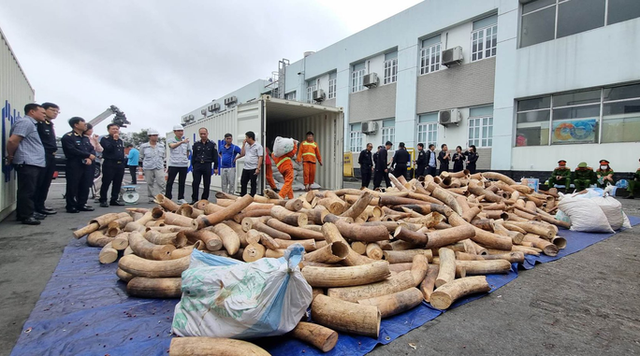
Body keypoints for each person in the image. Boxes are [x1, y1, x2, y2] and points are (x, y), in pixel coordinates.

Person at [6, 104, 47, 224]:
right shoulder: (25, 122)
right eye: (42, 112)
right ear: (32, 112)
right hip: (27, 161)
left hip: (33, 162)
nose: (44, 115)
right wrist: (10, 155)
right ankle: (26, 216)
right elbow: (12, 140)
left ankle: (28, 212)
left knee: (31, 189)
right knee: (27, 190)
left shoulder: (31, 123)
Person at [61, 117, 96, 213]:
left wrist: (89, 157)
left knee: (85, 184)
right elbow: (71, 150)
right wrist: (87, 155)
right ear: (76, 125)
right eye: (83, 123)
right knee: (73, 185)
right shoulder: (68, 137)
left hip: (86, 164)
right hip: (74, 164)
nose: (85, 124)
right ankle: (71, 205)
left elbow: (91, 148)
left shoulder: (85, 138)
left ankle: (82, 204)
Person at [33, 102, 59, 215]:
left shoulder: (49, 124)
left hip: (51, 156)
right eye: (53, 110)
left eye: (57, 111)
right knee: (38, 182)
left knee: (46, 182)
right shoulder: (39, 124)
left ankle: (40, 205)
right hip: (42, 156)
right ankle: (34, 207)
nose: (55, 113)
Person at [99, 123, 126, 207]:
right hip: (109, 163)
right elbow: (108, 148)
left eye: (117, 129)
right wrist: (114, 140)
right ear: (108, 130)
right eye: (113, 129)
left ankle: (114, 199)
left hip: (119, 164)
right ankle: (103, 200)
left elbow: (121, 152)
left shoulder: (120, 140)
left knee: (117, 182)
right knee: (106, 182)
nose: (115, 130)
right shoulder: (105, 139)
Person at [190, 127, 218, 204]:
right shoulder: (196, 144)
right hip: (198, 165)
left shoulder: (212, 144)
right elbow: (194, 155)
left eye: (204, 134)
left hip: (207, 165)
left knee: (207, 183)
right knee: (195, 183)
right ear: (199, 134)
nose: (203, 135)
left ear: (207, 134)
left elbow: (215, 156)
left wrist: (215, 167)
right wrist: (193, 165)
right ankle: (194, 199)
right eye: (201, 134)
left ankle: (204, 199)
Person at [166, 125, 191, 204]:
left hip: (183, 165)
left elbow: (187, 151)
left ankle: (180, 198)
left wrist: (185, 159)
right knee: (170, 182)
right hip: (173, 164)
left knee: (182, 182)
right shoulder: (171, 140)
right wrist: (182, 142)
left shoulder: (186, 142)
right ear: (175, 132)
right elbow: (172, 146)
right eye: (179, 131)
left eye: (182, 131)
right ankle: (168, 197)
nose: (181, 132)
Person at [139, 129, 166, 203]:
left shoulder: (161, 146)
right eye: (153, 135)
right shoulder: (144, 146)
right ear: (149, 136)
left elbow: (163, 156)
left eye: (156, 135)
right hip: (148, 167)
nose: (155, 137)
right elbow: (141, 156)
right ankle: (151, 197)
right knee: (150, 183)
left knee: (161, 182)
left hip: (159, 166)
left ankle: (162, 197)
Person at [235, 131, 264, 197]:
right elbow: (242, 154)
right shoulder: (246, 145)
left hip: (253, 167)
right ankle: (243, 195)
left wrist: (258, 168)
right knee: (243, 182)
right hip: (246, 167)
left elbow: (260, 157)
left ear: (250, 138)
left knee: (253, 183)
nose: (245, 139)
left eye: (246, 137)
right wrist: (243, 145)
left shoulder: (258, 146)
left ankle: (252, 196)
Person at [84, 123, 102, 201]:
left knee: (89, 179)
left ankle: (84, 199)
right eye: (89, 129)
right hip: (84, 160)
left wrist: (96, 141)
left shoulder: (92, 139)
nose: (91, 131)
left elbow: (100, 149)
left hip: (92, 160)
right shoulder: (82, 138)